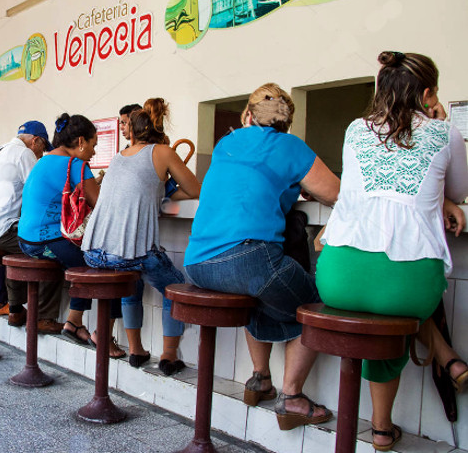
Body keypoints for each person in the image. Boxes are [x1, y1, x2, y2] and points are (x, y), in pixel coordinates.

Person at [316, 52, 468, 451]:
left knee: (381, 305)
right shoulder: (444, 133)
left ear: (380, 90)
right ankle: (437, 364)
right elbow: (458, 191)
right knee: (400, 305)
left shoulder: (355, 129)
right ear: (429, 92)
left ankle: (381, 428)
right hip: (410, 286)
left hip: (338, 277)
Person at [183, 83, 339, 429]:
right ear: (287, 120)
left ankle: (259, 379)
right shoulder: (290, 147)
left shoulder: (227, 143)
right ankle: (293, 397)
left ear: (249, 115)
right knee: (313, 307)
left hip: (197, 264)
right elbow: (338, 193)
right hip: (246, 259)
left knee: (260, 295)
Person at [82, 105, 202, 375]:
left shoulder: (119, 156)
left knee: (132, 280)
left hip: (92, 251)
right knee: (176, 288)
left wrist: (159, 193)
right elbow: (195, 189)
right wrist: (168, 194)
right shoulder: (163, 152)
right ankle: (169, 354)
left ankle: (136, 350)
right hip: (127, 254)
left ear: (132, 134)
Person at [18, 113, 124, 355]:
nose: (94, 152)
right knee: (107, 266)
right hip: (45, 241)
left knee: (84, 261)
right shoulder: (75, 165)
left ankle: (74, 321)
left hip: (25, 240)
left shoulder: (44, 160)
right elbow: (101, 205)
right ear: (80, 142)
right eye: (93, 145)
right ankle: (96, 332)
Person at [0, 121, 63, 334]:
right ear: (35, 141)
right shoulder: (23, 154)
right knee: (51, 248)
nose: (40, 155)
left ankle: (16, 309)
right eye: (42, 149)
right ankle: (44, 317)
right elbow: (40, 193)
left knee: (20, 241)